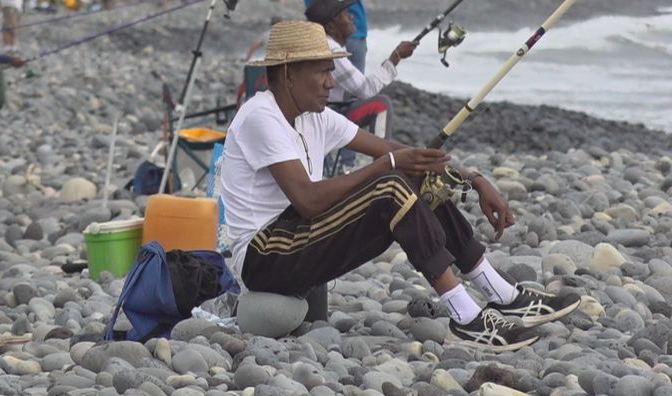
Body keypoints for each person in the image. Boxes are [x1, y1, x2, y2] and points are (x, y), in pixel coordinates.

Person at [220, 20, 580, 350]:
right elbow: (308, 200)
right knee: (390, 184)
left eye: (332, 71)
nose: (332, 82)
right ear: (288, 74)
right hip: (263, 254)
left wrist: (475, 178)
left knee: (409, 175)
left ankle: (501, 293)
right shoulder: (260, 117)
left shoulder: (315, 116)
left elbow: (402, 154)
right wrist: (388, 166)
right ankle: (467, 319)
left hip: (296, 238)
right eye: (323, 72)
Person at [305, 0, 416, 104]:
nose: (351, 17)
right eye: (345, 14)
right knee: (381, 104)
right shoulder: (331, 50)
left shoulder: (323, 44)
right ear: (331, 27)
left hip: (325, 110)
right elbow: (365, 90)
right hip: (326, 112)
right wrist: (395, 57)